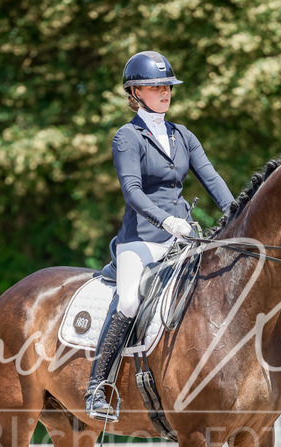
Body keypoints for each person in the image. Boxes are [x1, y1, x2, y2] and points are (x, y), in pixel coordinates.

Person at [84, 50, 235, 422]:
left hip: (183, 237)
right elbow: (132, 192)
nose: (165, 91)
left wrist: (237, 213)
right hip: (141, 238)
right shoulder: (127, 137)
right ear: (135, 92)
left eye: (168, 85)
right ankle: (96, 387)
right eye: (156, 85)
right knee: (130, 301)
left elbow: (212, 179)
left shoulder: (182, 135)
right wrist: (168, 221)